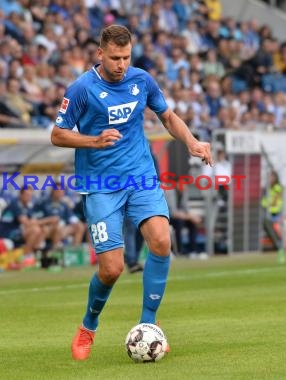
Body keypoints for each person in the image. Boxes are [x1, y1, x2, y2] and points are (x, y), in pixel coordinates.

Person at [50, 25, 213, 361]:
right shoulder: (81, 89)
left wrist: (192, 142)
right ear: (100, 54)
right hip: (100, 185)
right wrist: (92, 140)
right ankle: (88, 325)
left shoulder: (142, 80)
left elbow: (167, 116)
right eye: (114, 58)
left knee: (161, 241)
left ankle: (148, 326)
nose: (121, 64)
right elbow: (57, 134)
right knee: (112, 268)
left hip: (140, 176)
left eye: (125, 57)